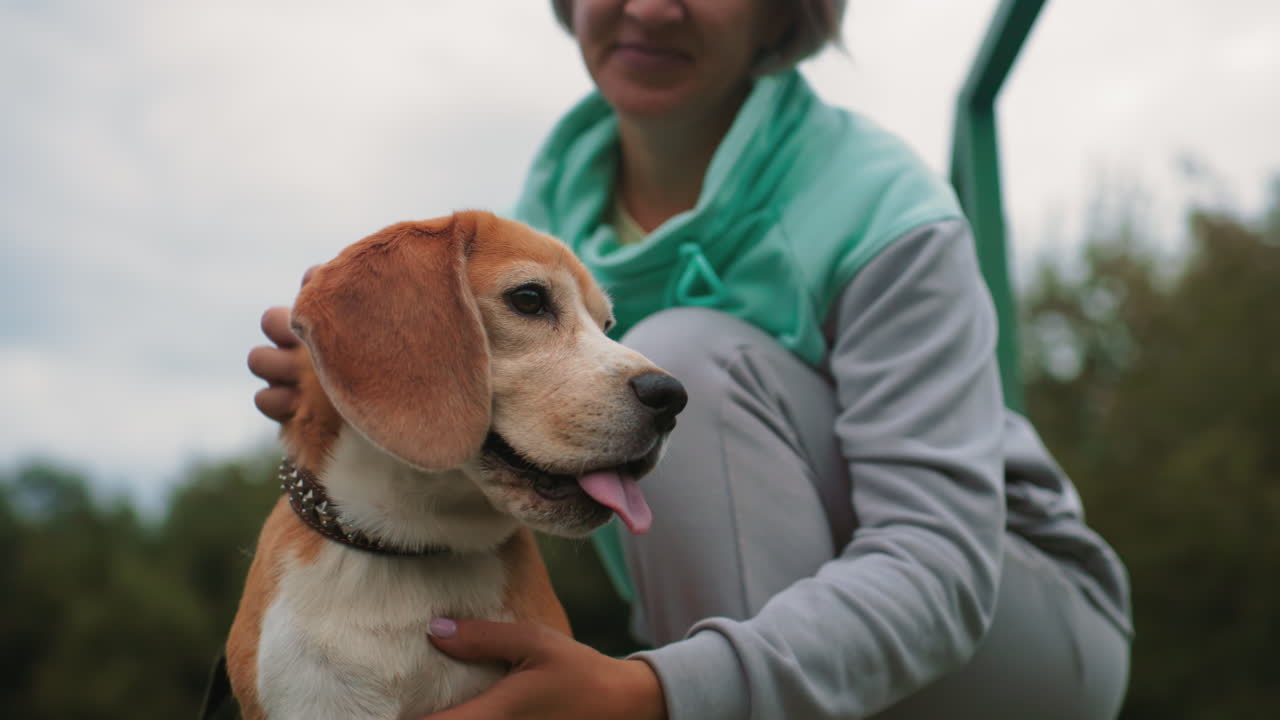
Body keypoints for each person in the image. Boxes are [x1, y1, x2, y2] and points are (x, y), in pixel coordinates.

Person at [249, 1, 1133, 718]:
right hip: (760, 657)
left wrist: (655, 691)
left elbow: (938, 567)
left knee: (680, 360)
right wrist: (379, 381)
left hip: (1012, 623)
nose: (649, 8)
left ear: (783, 14)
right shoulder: (551, 202)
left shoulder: (886, 208)